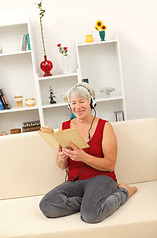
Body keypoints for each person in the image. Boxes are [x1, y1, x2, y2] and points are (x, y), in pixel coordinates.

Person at [39, 82, 137, 223]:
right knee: (46, 205)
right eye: (73, 103)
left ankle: (124, 191)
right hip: (75, 181)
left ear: (91, 102)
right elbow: (61, 166)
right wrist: (61, 158)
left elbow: (110, 165)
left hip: (101, 178)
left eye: (81, 101)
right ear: (69, 106)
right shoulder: (64, 127)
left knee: (90, 215)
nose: (77, 107)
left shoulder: (105, 126)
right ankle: (91, 203)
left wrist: (84, 157)